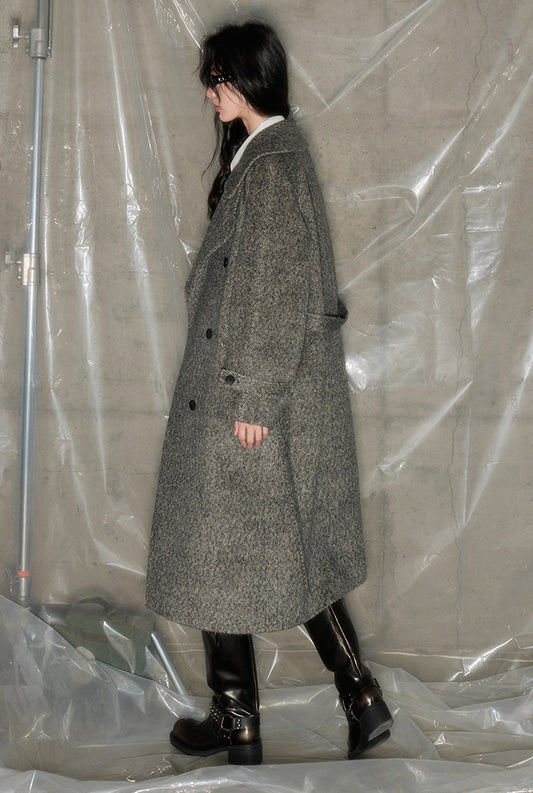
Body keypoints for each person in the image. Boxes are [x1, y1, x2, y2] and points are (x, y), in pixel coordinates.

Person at [145, 20, 393, 766]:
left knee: (224, 548)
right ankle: (349, 699)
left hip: (246, 397)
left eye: (217, 78)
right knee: (265, 550)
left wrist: (252, 398)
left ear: (249, 79)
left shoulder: (274, 164)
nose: (209, 92)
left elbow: (276, 288)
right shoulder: (264, 157)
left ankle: (245, 721)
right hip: (245, 389)